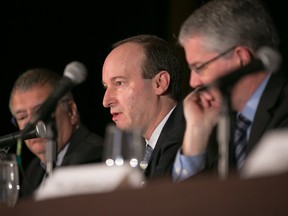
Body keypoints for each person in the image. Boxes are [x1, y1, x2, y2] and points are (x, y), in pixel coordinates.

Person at [173, 0, 288, 182]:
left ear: (241, 58)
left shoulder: (283, 110)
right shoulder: (213, 121)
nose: (193, 82)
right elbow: (183, 206)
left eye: (199, 67)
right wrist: (197, 131)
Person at [9, 68, 104, 198]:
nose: (33, 124)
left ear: (71, 111)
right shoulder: (33, 169)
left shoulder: (95, 157)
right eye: (22, 117)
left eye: (42, 112)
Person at [102, 34, 186, 181]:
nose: (106, 101)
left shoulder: (185, 143)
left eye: (119, 83)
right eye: (106, 87)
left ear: (160, 83)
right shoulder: (142, 149)